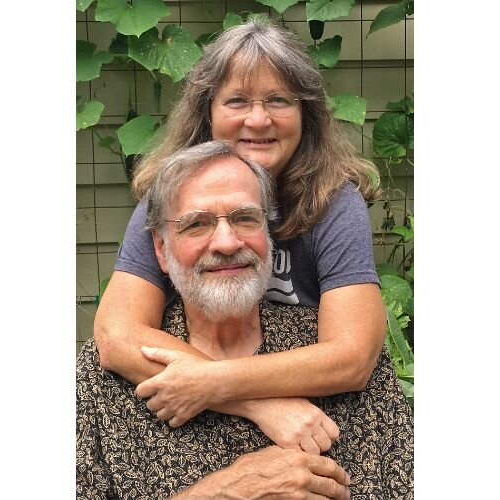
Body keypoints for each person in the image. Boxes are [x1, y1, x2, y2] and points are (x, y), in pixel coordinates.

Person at [93, 15, 388, 450]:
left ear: (306, 112)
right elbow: (117, 336)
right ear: (207, 112)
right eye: (236, 101)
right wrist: (259, 405)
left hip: (317, 420)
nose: (258, 120)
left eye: (278, 100)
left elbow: (352, 357)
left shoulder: (333, 202)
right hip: (189, 422)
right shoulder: (172, 194)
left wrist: (213, 382)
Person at [76, 141, 414, 499]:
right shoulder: (108, 383)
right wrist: (218, 494)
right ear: (161, 249)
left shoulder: (333, 361)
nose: (225, 242)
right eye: (197, 224)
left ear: (268, 237)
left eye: (245, 218)